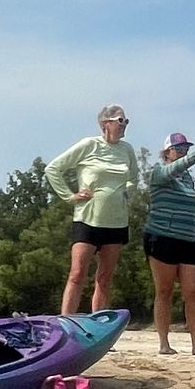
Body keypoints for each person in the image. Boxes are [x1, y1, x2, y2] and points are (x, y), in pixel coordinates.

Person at [45, 104, 135, 313]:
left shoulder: (127, 150)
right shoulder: (89, 145)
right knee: (77, 274)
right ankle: (67, 324)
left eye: (126, 121)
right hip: (87, 220)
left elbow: (133, 179)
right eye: (121, 121)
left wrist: (126, 192)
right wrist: (70, 196)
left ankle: (99, 327)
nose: (124, 126)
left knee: (104, 278)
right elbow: (53, 169)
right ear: (106, 123)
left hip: (117, 222)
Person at [144, 129, 195, 355]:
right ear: (167, 152)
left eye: (186, 149)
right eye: (178, 149)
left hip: (187, 239)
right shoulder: (159, 172)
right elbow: (178, 167)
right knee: (165, 290)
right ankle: (164, 343)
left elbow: (194, 213)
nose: (183, 153)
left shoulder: (189, 180)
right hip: (162, 237)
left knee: (193, 291)